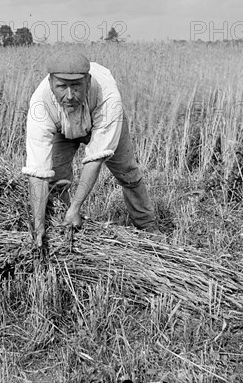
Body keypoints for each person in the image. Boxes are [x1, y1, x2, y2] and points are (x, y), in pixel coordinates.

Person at [22, 50, 159, 247]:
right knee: (56, 180)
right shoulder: (40, 104)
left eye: (76, 86)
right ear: (51, 83)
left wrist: (78, 205)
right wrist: (38, 223)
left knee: (128, 174)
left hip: (100, 120)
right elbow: (38, 172)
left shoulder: (108, 96)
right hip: (63, 128)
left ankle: (148, 227)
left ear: (88, 80)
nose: (69, 96)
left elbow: (96, 157)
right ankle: (67, 225)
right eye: (61, 87)